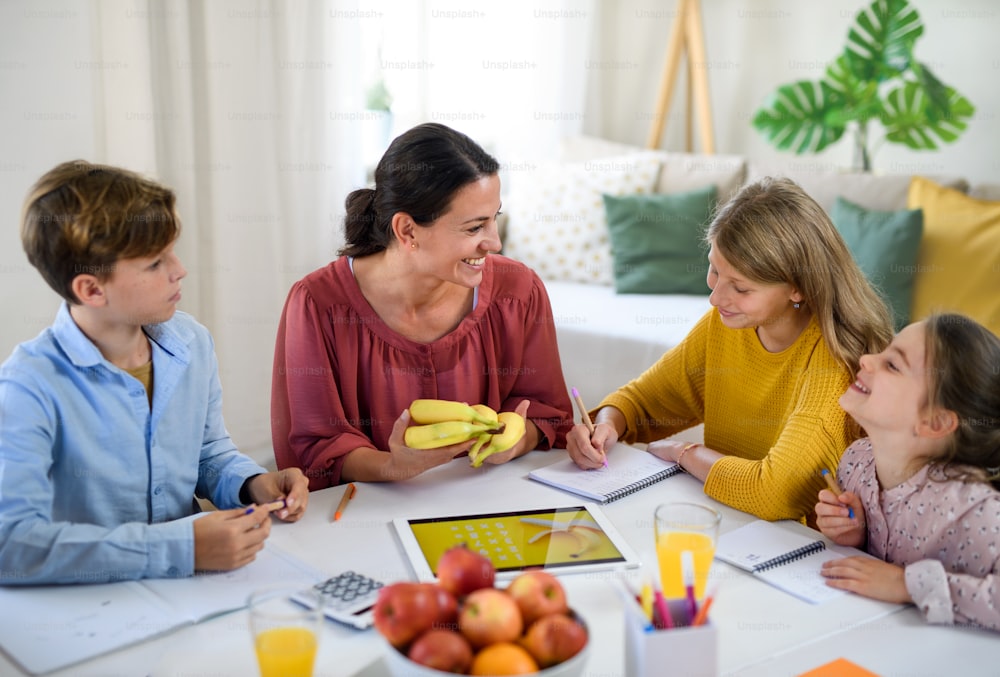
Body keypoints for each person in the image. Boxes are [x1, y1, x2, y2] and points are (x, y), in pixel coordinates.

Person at [0, 161, 309, 586]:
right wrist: (182, 548)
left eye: (172, 251)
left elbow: (207, 453)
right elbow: (12, 544)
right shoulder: (28, 385)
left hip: (195, 592)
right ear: (91, 289)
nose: (179, 269)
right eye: (154, 263)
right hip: (92, 606)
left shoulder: (191, 341)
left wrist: (254, 482)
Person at [566, 177, 894, 521]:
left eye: (739, 287)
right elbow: (641, 403)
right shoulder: (726, 327)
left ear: (797, 288)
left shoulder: (833, 361)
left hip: (797, 554)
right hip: (729, 525)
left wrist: (685, 453)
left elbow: (771, 492)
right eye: (714, 270)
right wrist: (605, 426)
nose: (716, 297)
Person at [272, 123, 574, 489]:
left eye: (495, 218)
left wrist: (513, 442)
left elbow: (548, 415)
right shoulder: (317, 305)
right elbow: (315, 448)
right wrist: (392, 466)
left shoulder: (519, 291)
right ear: (407, 231)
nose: (494, 242)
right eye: (474, 227)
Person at [816, 314, 1000, 631]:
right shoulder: (856, 461)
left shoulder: (976, 510)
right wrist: (855, 537)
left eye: (893, 365)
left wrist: (907, 585)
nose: (866, 359)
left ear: (935, 423)